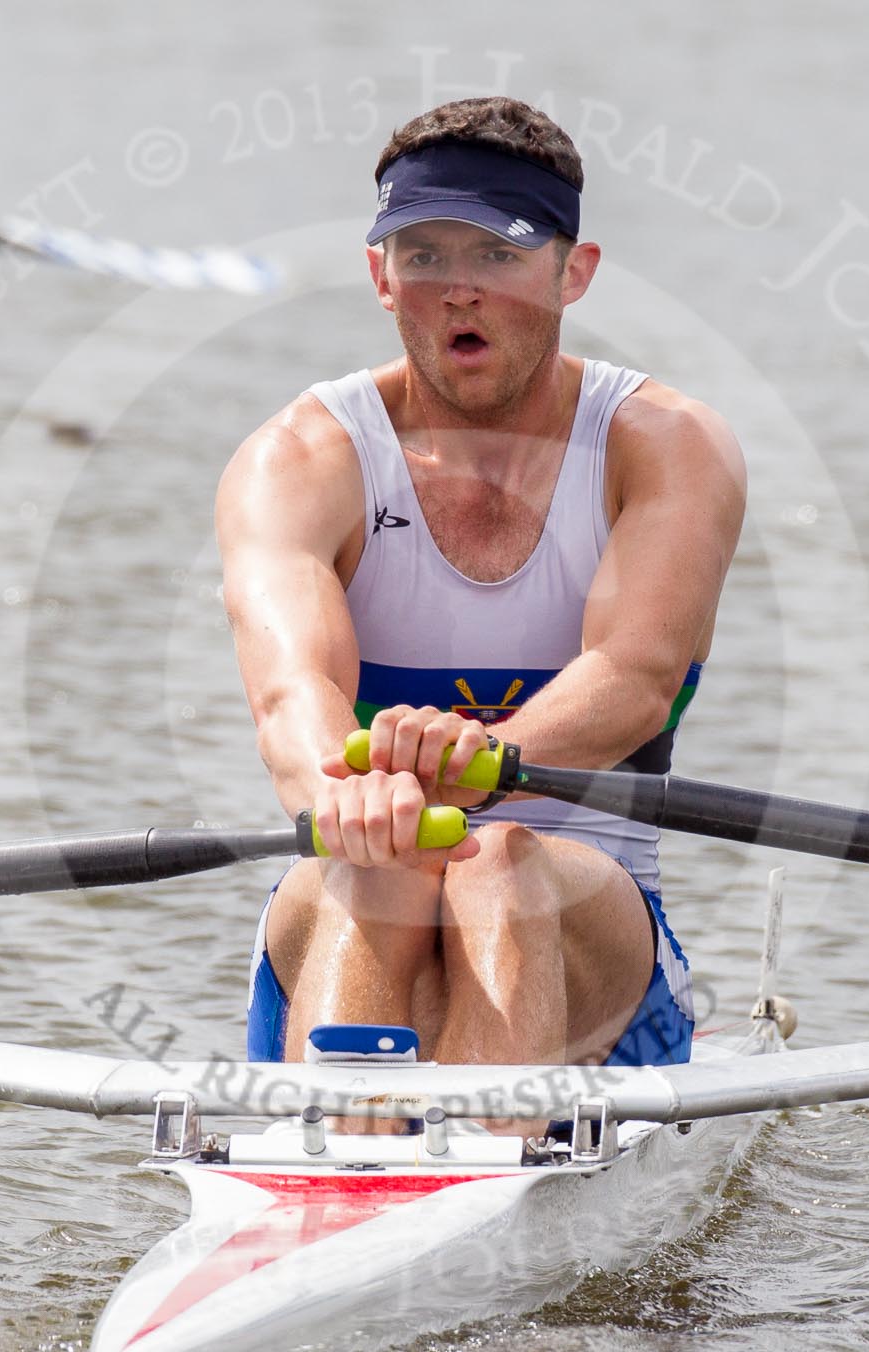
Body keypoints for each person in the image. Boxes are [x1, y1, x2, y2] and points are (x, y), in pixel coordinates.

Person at [217, 97, 746, 1092]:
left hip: (588, 910)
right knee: (383, 866)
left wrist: (491, 763)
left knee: (500, 860)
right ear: (381, 275)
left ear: (572, 271)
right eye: (423, 256)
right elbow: (290, 699)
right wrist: (350, 794)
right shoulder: (298, 457)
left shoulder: (666, 445)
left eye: (498, 256)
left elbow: (634, 677)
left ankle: (450, 1168)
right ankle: (345, 1174)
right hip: (358, 886)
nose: (458, 291)